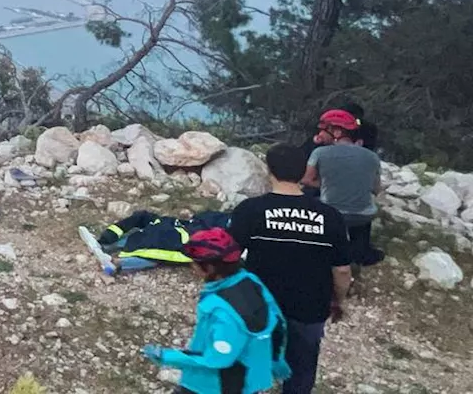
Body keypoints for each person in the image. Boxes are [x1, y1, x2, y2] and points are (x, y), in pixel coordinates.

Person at [228, 144, 353, 394]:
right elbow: (341, 271)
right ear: (302, 174)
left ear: (269, 171)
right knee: (302, 370)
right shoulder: (330, 216)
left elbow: (227, 258)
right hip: (310, 308)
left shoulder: (250, 210)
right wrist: (338, 300)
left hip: (258, 306)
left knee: (245, 365)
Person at [140, 228, 290, 394]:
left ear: (210, 268)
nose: (191, 267)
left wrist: (166, 356)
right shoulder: (250, 281)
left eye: (194, 263)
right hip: (251, 377)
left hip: (215, 385)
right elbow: (278, 323)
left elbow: (217, 359)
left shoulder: (221, 310)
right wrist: (277, 360)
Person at [302, 109, 385, 271]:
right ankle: (361, 252)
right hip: (364, 216)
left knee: (309, 197)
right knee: (362, 207)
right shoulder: (372, 156)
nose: (320, 134)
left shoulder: (320, 152)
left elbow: (306, 179)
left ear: (337, 132)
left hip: (333, 215)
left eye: (323, 130)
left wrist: (328, 183)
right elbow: (375, 189)